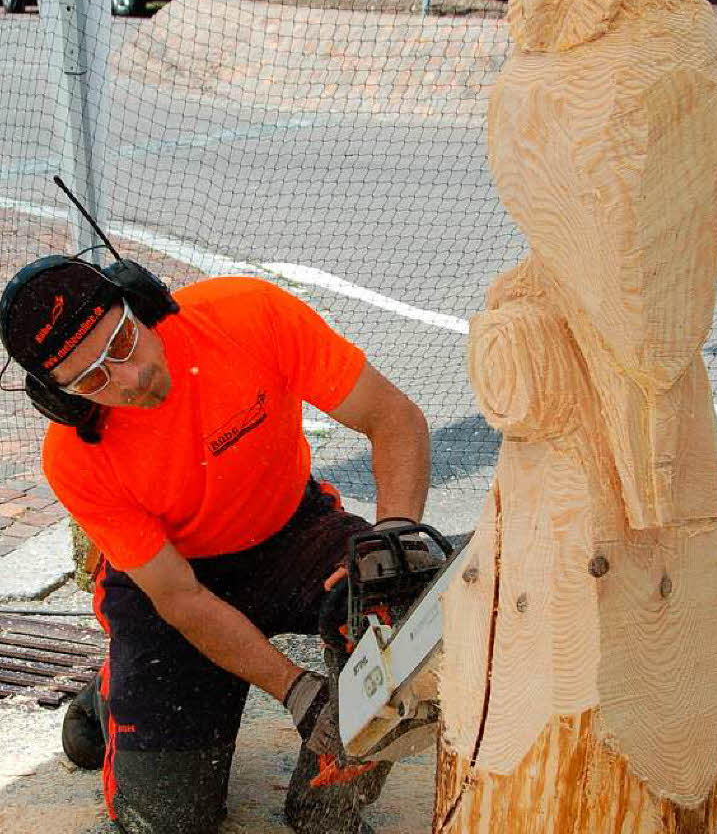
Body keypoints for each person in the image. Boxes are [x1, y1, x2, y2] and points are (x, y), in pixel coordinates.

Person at [0, 254, 431, 834]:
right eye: (92, 380)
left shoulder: (245, 315)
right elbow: (181, 601)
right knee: (174, 820)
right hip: (177, 583)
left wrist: (394, 539)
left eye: (123, 343)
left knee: (393, 607)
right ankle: (110, 695)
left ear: (142, 302)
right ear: (62, 399)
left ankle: (324, 807)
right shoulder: (75, 458)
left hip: (290, 529)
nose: (129, 380)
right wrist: (296, 690)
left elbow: (394, 418)